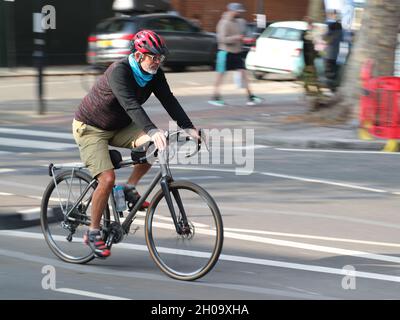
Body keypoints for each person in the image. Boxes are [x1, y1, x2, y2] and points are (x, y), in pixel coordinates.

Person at [72, 30, 200, 258]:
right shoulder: (119, 71)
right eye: (153, 56)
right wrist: (151, 130)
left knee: (154, 148)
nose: (158, 61)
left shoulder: (154, 74)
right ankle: (92, 232)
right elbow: (131, 104)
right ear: (139, 55)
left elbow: (168, 99)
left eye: (161, 57)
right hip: (91, 128)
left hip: (119, 126)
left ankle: (130, 187)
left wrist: (188, 126)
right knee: (108, 178)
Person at [208, 2, 263, 106]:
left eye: (240, 11)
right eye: (238, 11)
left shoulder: (240, 22)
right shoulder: (223, 23)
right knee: (220, 76)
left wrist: (245, 39)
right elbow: (222, 39)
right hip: (225, 53)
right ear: (231, 11)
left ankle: (250, 96)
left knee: (244, 75)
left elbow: (241, 36)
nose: (239, 13)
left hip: (237, 52)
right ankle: (215, 97)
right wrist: (236, 38)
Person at [323, 10, 343, 92]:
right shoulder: (341, 27)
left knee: (330, 70)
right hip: (339, 52)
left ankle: (331, 88)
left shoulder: (331, 25)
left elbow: (326, 38)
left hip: (331, 53)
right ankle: (334, 87)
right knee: (335, 70)